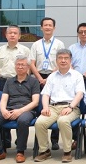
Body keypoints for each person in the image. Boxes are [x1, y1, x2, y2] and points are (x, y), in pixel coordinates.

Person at [0, 55, 40, 163]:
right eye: (18, 64)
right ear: (15, 66)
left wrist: (20, 111)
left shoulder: (33, 82)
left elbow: (35, 102)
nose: (20, 67)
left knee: (23, 121)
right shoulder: (9, 81)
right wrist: (3, 110)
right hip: (10, 109)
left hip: (27, 110)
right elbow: (4, 99)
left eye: (22, 65)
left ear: (28, 67)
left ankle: (20, 151)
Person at [33, 49, 84, 163]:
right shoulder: (52, 76)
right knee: (40, 122)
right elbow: (45, 94)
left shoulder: (77, 76)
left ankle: (67, 152)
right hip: (53, 107)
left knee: (63, 121)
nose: (63, 61)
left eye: (66, 58)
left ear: (70, 60)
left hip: (71, 107)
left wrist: (70, 107)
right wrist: (45, 107)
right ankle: (45, 151)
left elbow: (79, 94)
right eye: (60, 58)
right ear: (56, 61)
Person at [28, 17, 65, 150]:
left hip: (54, 76)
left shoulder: (59, 44)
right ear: (41, 28)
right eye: (45, 25)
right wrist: (39, 78)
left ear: (54, 28)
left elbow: (61, 62)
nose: (48, 27)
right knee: (40, 107)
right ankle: (39, 140)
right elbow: (32, 63)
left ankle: (54, 140)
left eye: (50, 25)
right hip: (39, 77)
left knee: (55, 105)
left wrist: (49, 77)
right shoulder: (36, 44)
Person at [0, 25, 30, 90]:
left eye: (15, 33)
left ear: (19, 36)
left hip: (18, 81)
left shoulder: (25, 50)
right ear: (6, 35)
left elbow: (28, 68)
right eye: (10, 33)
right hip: (2, 81)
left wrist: (25, 82)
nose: (12, 35)